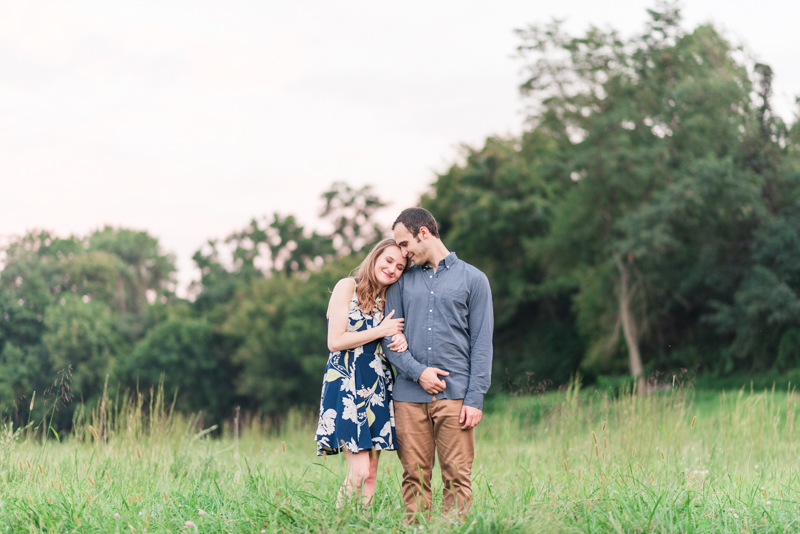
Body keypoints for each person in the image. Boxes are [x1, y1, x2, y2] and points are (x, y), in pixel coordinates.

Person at [381, 208, 493, 522]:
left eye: (405, 244)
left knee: (457, 478)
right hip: (408, 398)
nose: (402, 253)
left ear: (424, 233)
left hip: (456, 399)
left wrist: (475, 398)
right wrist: (419, 373)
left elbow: (482, 344)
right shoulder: (400, 283)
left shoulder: (474, 279)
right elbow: (391, 340)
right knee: (414, 479)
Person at [315, 238, 408, 506]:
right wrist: (382, 331)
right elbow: (335, 341)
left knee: (371, 474)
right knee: (358, 471)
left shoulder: (389, 297)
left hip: (376, 383)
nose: (392, 269)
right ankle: (340, 524)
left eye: (400, 267)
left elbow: (392, 337)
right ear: (375, 257)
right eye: (389, 261)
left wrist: (399, 340)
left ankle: (363, 525)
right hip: (345, 379)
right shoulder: (348, 286)